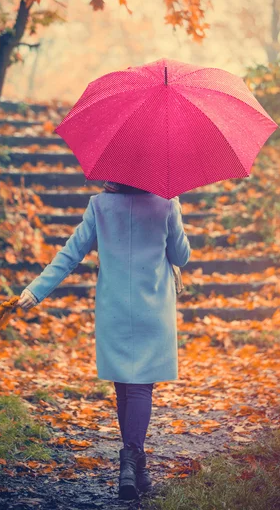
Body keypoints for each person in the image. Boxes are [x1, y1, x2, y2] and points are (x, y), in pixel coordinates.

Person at [18, 180, 191, 500]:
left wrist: (35, 290)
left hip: (114, 310)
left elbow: (70, 254)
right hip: (152, 309)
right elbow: (181, 255)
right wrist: (175, 205)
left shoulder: (100, 206)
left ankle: (135, 468)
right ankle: (131, 459)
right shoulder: (166, 204)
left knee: (125, 387)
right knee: (141, 387)